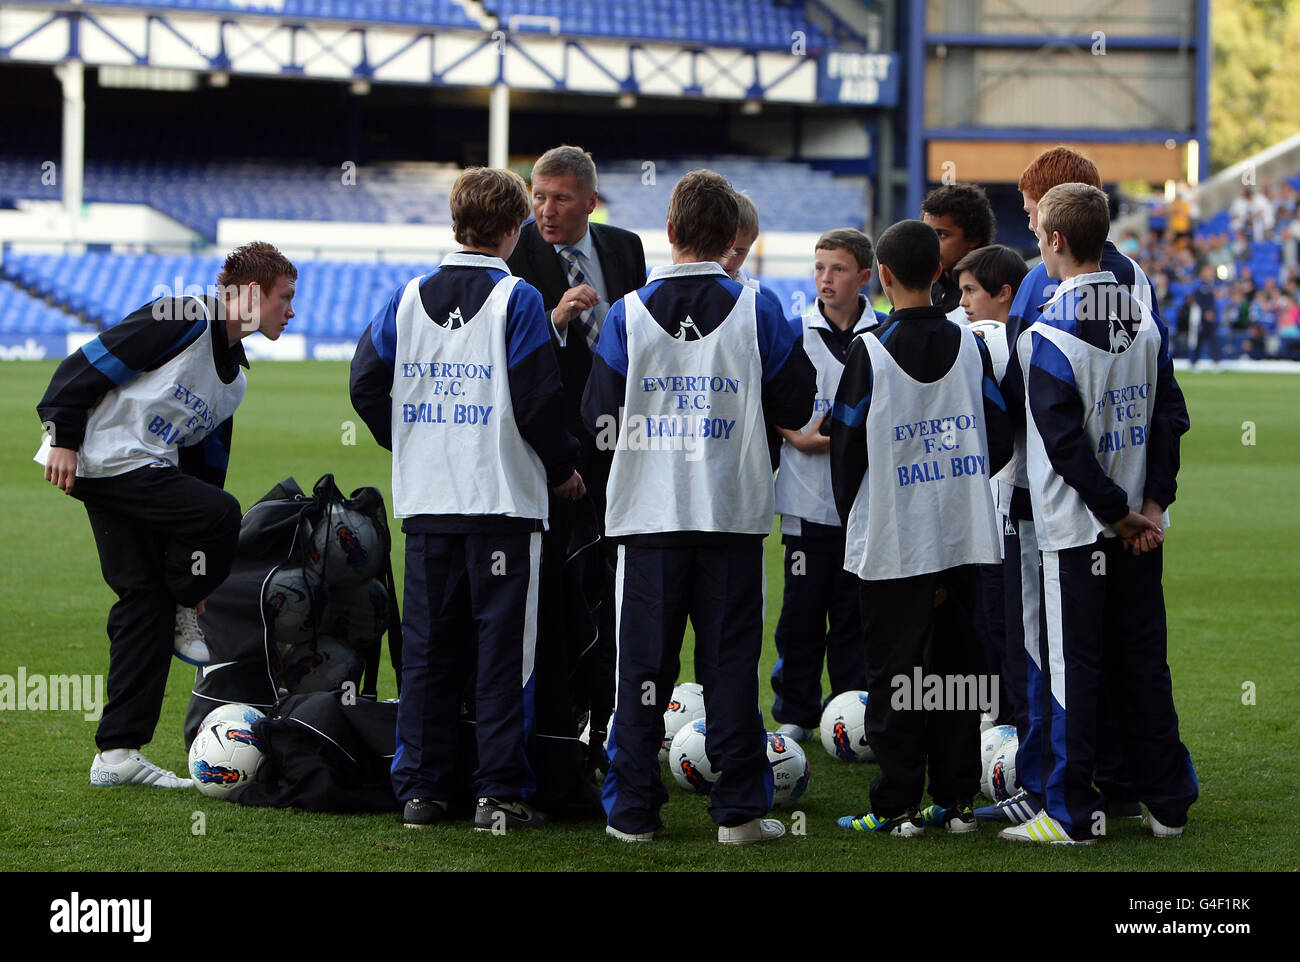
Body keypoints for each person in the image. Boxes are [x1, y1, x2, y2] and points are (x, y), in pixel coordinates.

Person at [582, 169, 815, 844]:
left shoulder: (626, 312)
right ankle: (739, 812)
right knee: (730, 668)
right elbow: (798, 404)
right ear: (731, 237)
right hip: (731, 514)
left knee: (642, 674)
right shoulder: (759, 308)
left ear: (672, 232)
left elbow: (597, 420)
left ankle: (632, 815)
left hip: (649, 518)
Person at [349, 166, 584, 832]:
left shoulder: (406, 295)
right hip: (504, 505)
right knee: (505, 653)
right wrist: (564, 463)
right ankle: (497, 791)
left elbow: (366, 385)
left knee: (425, 651)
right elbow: (539, 400)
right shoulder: (520, 299)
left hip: (428, 506)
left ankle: (422, 792)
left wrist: (413, 444)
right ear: (512, 229)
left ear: (456, 222)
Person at [36, 241, 297, 789]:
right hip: (102, 460)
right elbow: (84, 364)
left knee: (143, 600)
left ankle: (117, 756)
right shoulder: (178, 315)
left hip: (138, 476)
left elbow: (207, 466)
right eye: (284, 298)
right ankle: (184, 602)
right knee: (223, 515)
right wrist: (61, 435)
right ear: (251, 293)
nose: (291, 311)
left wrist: (194, 564)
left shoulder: (236, 380)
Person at [979, 145, 1173, 828]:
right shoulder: (1140, 292)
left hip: (1060, 509)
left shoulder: (1043, 291)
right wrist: (1150, 505)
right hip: (1131, 508)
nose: (1030, 227)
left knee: (1055, 657)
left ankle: (1054, 793)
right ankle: (1133, 787)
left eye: (1033, 216)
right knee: (1135, 651)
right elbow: (1164, 409)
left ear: (1056, 227)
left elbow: (1039, 419)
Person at [828, 219, 1011, 837]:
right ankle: (956, 800)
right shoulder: (971, 346)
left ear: (881, 276)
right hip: (963, 535)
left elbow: (845, 445)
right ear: (939, 272)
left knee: (894, 672)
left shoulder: (870, 349)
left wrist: (858, 508)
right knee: (957, 670)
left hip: (892, 538)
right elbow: (1002, 430)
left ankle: (895, 804)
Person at [506, 146, 648, 763]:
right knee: (562, 586)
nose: (545, 209)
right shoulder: (520, 257)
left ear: (591, 201)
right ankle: (560, 724)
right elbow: (512, 359)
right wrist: (555, 319)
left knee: (622, 582)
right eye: (538, 196)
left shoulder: (625, 249)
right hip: (554, 454)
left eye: (560, 198)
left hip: (623, 447)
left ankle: (613, 714)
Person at [769, 228, 885, 743]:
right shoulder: (795, 333)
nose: (825, 278)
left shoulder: (884, 334)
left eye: (837, 269)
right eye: (819, 268)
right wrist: (793, 433)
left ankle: (852, 707)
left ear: (864, 277)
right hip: (804, 500)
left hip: (864, 502)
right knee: (801, 612)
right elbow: (768, 400)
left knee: (855, 614)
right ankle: (795, 708)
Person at [951, 243, 1028, 727]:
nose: (962, 303)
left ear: (1004, 294)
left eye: (970, 291)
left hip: (1001, 508)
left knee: (999, 627)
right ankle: (1010, 727)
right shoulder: (1028, 338)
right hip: (1012, 505)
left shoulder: (989, 338)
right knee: (1007, 629)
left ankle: (1004, 728)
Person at [920, 183, 996, 325]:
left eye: (942, 235)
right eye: (927, 234)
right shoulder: (924, 288)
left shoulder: (993, 290)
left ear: (973, 238)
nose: (931, 243)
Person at [1186, 264, 1222, 367]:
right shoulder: (1198, 285)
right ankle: (1193, 361)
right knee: (1197, 340)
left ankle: (1216, 361)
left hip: (1211, 316)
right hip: (1200, 317)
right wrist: (1205, 312)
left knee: (1213, 340)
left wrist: (1212, 312)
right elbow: (1196, 300)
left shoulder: (1213, 284)